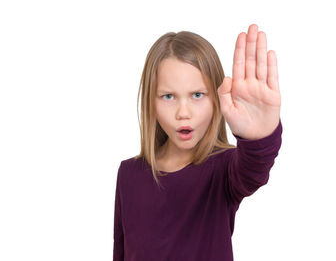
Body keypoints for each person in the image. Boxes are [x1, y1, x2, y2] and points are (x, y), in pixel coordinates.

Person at [113, 23, 283, 261]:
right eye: (169, 96)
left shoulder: (223, 170)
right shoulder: (129, 173)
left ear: (217, 99)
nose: (184, 112)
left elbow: (254, 167)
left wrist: (259, 135)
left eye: (197, 95)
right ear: (151, 102)